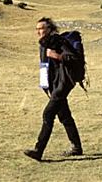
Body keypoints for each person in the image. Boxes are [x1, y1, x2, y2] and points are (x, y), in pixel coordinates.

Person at [24, 17, 83, 161]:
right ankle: (77, 148)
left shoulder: (58, 41)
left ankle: (38, 150)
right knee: (64, 116)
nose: (39, 31)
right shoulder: (43, 44)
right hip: (54, 85)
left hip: (63, 83)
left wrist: (56, 55)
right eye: (37, 29)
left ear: (49, 29)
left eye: (42, 28)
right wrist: (45, 84)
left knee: (47, 114)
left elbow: (73, 58)